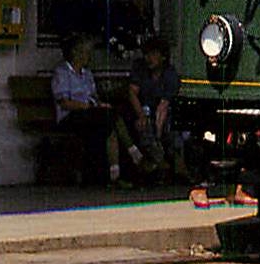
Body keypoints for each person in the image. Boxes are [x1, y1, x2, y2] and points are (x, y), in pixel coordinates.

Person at [51, 33, 135, 186]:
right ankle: (133, 156)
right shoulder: (62, 73)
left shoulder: (87, 74)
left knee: (112, 120)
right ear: (76, 52)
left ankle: (115, 174)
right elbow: (64, 103)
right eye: (87, 52)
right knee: (109, 119)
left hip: (90, 113)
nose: (89, 56)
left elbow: (93, 96)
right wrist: (89, 106)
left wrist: (99, 104)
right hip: (70, 116)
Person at [126, 36, 183, 179]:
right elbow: (132, 92)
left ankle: (172, 166)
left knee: (169, 129)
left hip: (163, 114)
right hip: (141, 111)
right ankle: (159, 164)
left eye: (153, 54)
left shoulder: (170, 74)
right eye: (146, 54)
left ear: (163, 56)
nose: (148, 58)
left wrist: (157, 134)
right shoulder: (140, 68)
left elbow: (163, 107)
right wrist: (140, 115)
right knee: (143, 126)